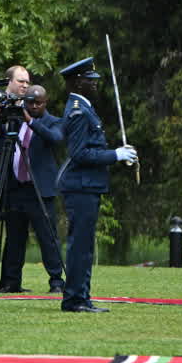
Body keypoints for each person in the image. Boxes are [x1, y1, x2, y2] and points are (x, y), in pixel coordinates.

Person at [55, 57, 137, 313]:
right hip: (81, 185)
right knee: (80, 246)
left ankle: (81, 296)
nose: (95, 84)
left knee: (84, 245)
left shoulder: (84, 107)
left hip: (87, 185)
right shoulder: (79, 111)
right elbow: (79, 154)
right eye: (90, 81)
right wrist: (115, 155)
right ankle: (75, 299)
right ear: (78, 83)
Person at [0, 84, 65, 293]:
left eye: (37, 103)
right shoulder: (15, 122)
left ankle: (56, 281)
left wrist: (31, 122)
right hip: (16, 188)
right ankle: (11, 281)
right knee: (14, 237)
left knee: (47, 237)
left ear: (45, 103)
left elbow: (55, 138)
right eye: (30, 103)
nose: (33, 106)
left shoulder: (53, 122)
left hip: (39, 190)